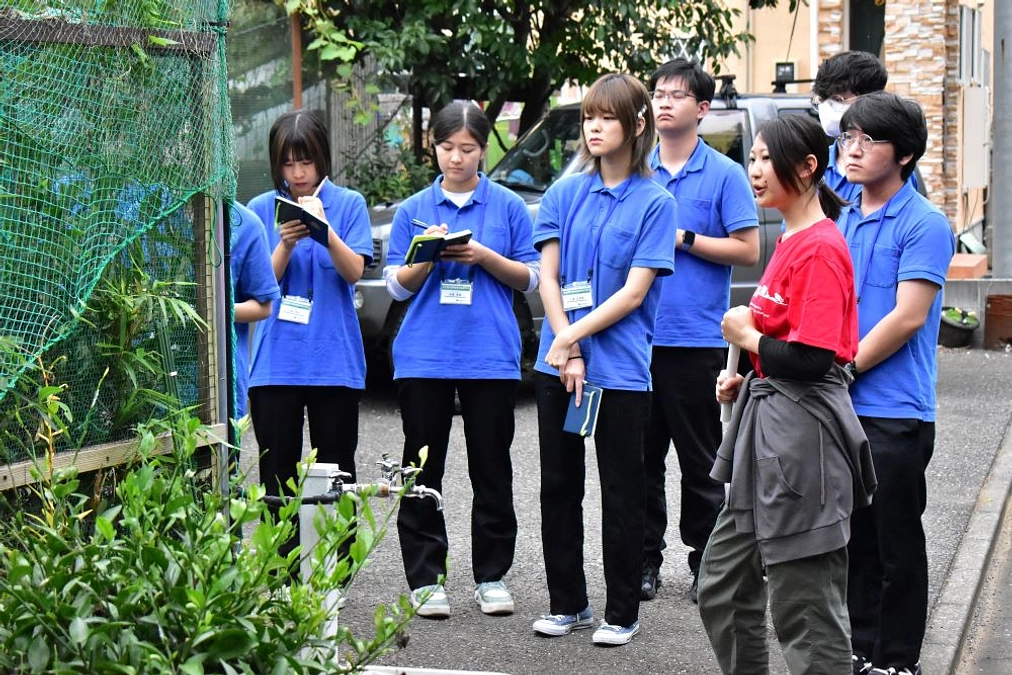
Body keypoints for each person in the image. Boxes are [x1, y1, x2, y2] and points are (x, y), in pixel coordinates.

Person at [696, 114, 877, 674]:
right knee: (723, 584)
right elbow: (789, 344)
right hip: (767, 437)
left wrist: (749, 338)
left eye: (766, 158)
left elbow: (815, 359)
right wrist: (750, 372)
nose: (754, 170)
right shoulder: (792, 238)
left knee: (806, 609)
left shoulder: (820, 248)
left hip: (804, 448)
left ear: (806, 167)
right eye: (751, 158)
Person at [530, 73, 676, 647]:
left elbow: (634, 293)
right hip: (558, 368)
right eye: (589, 116)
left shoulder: (656, 202)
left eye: (607, 117)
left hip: (618, 372)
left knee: (622, 490)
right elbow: (548, 275)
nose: (594, 126)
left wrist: (572, 341)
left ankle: (622, 612)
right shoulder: (564, 194)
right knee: (558, 486)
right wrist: (564, 345)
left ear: (637, 126)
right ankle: (567, 603)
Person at [383, 101, 539, 619]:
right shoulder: (413, 209)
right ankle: (426, 579)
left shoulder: (509, 207)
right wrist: (424, 261)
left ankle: (491, 576)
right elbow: (395, 289)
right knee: (422, 469)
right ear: (435, 146)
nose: (457, 158)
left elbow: (533, 279)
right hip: (424, 355)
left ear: (483, 150)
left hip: (490, 355)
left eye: (468, 149)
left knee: (491, 468)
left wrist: (484, 258)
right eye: (448, 147)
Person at [835, 92, 956, 675]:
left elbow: (908, 317)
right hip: (838, 404)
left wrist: (844, 368)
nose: (852, 149)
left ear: (903, 154)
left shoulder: (925, 222)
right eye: (847, 137)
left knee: (895, 546)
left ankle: (898, 661)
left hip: (895, 411)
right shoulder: (840, 217)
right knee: (854, 542)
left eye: (868, 139)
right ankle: (860, 651)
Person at [641, 58, 760, 603]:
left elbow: (748, 249)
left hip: (695, 340)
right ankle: (643, 562)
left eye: (676, 95)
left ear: (702, 109)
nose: (663, 102)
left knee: (700, 459)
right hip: (635, 338)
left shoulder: (724, 173)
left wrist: (683, 237)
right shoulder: (634, 168)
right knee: (639, 459)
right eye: (658, 93)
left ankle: (705, 563)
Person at [246, 109, 373, 566]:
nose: (298, 174)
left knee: (336, 470)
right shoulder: (261, 209)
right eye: (288, 164)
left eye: (306, 162)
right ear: (276, 164)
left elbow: (354, 270)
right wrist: (285, 243)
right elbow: (261, 286)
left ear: (322, 159)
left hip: (333, 361)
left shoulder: (350, 203)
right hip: (275, 363)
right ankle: (282, 571)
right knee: (276, 472)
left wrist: (324, 232)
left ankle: (335, 572)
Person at [228, 201, 280, 423]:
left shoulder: (244, 223)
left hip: (221, 372)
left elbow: (263, 305)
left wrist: (210, 311)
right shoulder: (146, 209)